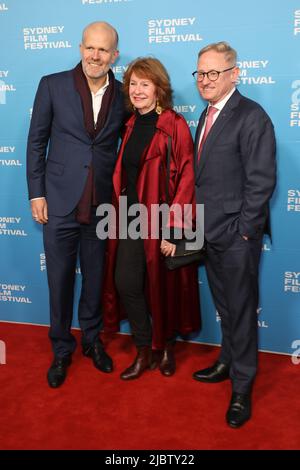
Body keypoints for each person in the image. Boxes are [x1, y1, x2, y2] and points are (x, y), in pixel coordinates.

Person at [26, 22, 125, 388]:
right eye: (89, 48)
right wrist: (37, 193)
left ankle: (93, 340)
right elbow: (36, 141)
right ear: (80, 47)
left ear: (114, 55)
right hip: (58, 201)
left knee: (96, 279)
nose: (94, 56)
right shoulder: (52, 84)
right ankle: (62, 348)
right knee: (60, 280)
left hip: (102, 206)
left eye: (103, 50)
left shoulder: (123, 94)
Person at [192, 42, 276, 427]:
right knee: (226, 307)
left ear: (234, 74)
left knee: (241, 312)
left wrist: (244, 233)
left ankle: (242, 388)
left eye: (213, 73)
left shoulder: (252, 116)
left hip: (236, 238)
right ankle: (226, 361)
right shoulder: (204, 115)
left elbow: (260, 183)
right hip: (209, 233)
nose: (205, 81)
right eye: (200, 73)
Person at [102, 57, 201, 380]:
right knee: (127, 282)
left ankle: (167, 346)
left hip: (162, 218)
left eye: (145, 84)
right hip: (130, 216)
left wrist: (174, 229)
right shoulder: (129, 125)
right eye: (133, 84)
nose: (138, 90)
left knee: (165, 285)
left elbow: (186, 176)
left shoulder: (173, 124)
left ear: (159, 89)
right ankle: (145, 348)